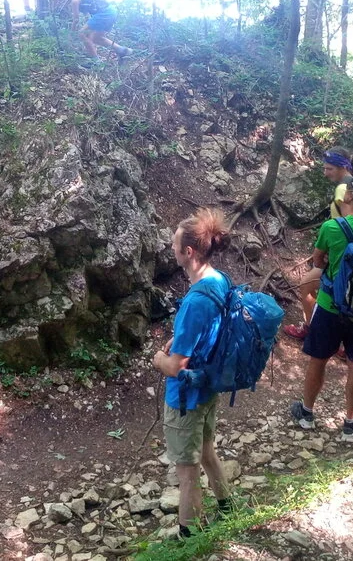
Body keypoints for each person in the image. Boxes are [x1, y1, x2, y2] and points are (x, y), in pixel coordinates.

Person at [151, 208, 234, 538]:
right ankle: (227, 507)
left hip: (186, 396)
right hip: (209, 387)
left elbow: (175, 366)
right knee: (206, 450)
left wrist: (158, 357)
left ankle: (189, 537)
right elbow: (212, 330)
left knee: (186, 472)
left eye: (174, 246)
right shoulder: (219, 280)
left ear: (189, 252)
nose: (171, 250)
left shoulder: (193, 302)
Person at [288, 175, 353, 442]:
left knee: (318, 359)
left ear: (349, 197)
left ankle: (306, 413)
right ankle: (350, 423)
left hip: (330, 306)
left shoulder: (332, 227)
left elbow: (318, 260)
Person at [282, 147, 353, 339]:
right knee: (316, 288)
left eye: (329, 169)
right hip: (349, 257)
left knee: (312, 288)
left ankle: (315, 331)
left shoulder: (343, 190)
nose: (325, 173)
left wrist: (330, 247)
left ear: (343, 167)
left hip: (341, 259)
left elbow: (350, 226)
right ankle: (320, 330)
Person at [47, 0, 134, 62]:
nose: (56, 0)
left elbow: (76, 19)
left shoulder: (75, 0)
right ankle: (123, 51)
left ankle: (95, 61)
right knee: (96, 38)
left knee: (82, 34)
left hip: (104, 13)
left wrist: (71, 34)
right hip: (110, 11)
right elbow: (87, 14)